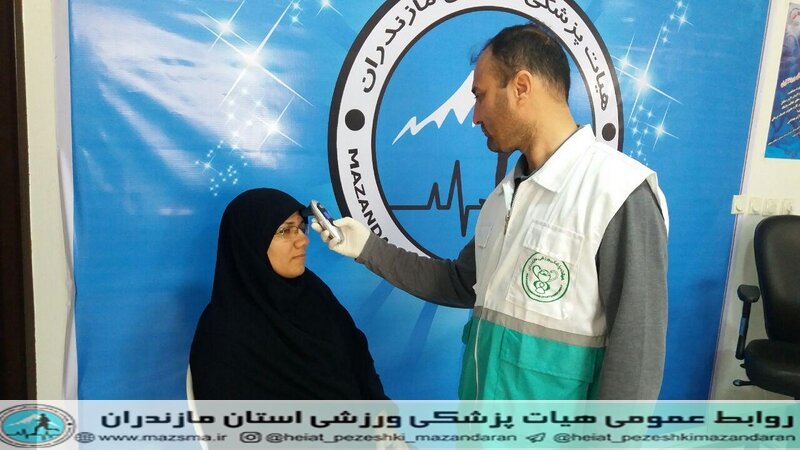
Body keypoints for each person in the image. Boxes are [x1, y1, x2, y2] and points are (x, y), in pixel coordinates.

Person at [313, 23, 669, 400]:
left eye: (480, 96)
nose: (475, 116)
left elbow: (637, 357)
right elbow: (458, 282)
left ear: (521, 87)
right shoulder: (504, 198)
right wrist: (367, 247)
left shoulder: (618, 193)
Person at [189, 188, 387, 399]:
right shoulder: (224, 333)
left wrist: (379, 410)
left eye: (301, 228)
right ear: (251, 242)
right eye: (285, 231)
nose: (303, 241)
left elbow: (358, 357)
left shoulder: (314, 294)